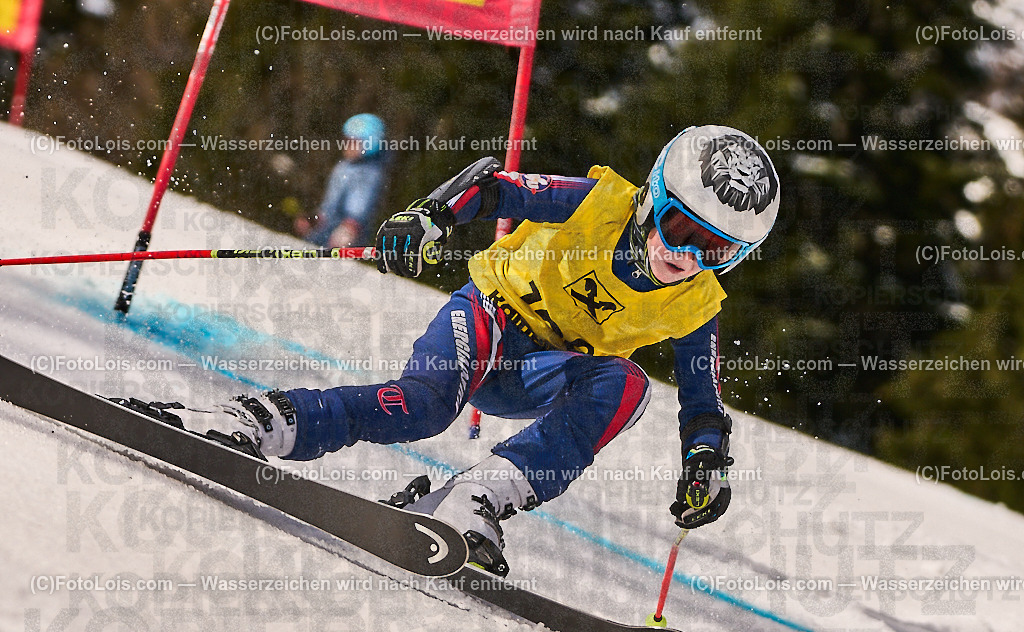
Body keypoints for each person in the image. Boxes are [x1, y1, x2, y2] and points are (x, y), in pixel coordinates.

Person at [161, 125, 780, 577]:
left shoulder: (698, 303)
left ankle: (472, 499)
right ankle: (255, 423)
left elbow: (704, 401)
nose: (688, 259)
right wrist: (431, 217)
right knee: (423, 408)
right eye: (681, 231)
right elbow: (497, 190)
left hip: (542, 372)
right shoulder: (601, 205)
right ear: (652, 200)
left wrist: (706, 462)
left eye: (717, 250)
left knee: (629, 386)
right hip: (489, 316)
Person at [294, 113, 389, 247]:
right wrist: (315, 220)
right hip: (326, 229)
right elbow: (330, 205)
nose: (347, 146)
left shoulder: (369, 174)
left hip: (345, 234)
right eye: (346, 140)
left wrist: (350, 227)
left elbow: (359, 206)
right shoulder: (343, 167)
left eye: (354, 142)